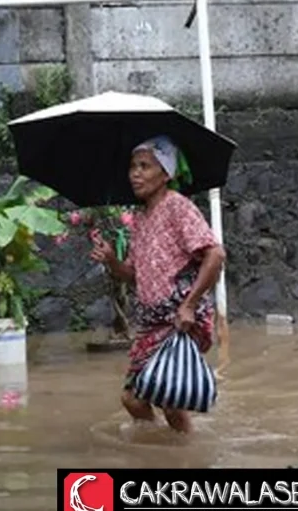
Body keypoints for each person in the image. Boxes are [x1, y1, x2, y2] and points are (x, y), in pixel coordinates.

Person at [89, 135, 226, 434]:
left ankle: (181, 458)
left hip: (179, 318)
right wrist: (112, 261)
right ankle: (165, 446)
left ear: (166, 174)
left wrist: (189, 305)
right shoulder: (139, 218)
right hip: (151, 322)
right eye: (132, 167)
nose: (135, 174)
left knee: (166, 398)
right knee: (134, 399)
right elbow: (137, 276)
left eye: (144, 166)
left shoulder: (178, 207)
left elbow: (215, 255)